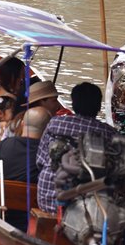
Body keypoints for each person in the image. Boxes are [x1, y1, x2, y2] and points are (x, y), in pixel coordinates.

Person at [36, 82, 117, 212]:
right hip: (85, 208)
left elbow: (40, 161)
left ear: (73, 104)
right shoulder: (109, 133)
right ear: (98, 107)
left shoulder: (55, 123)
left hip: (46, 198)